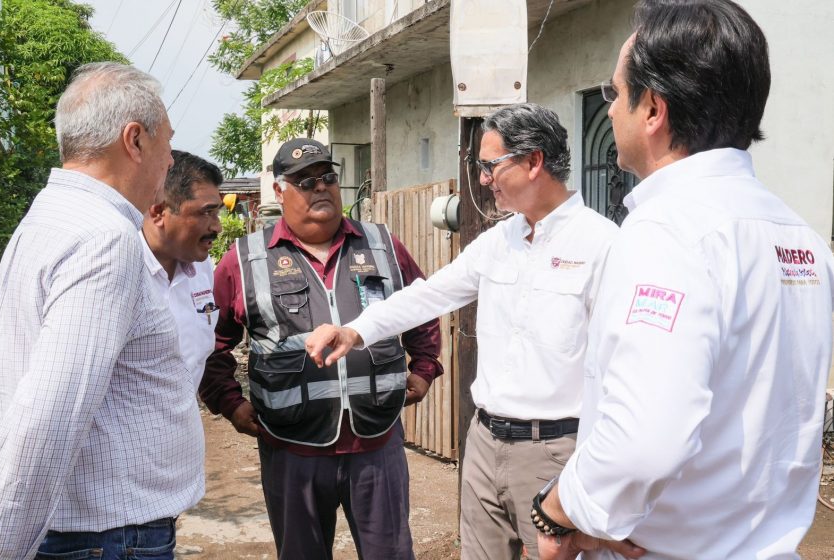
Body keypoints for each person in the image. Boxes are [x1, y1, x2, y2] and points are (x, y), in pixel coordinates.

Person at [535, 1, 834, 558]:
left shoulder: (667, 232)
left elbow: (641, 445)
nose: (611, 109)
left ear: (652, 109)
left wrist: (557, 509)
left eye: (613, 92)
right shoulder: (802, 239)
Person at [305, 103, 619, 559]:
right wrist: (354, 331)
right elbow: (428, 294)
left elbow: (617, 366)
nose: (484, 180)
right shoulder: (499, 241)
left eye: (491, 166)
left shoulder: (602, 245)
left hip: (557, 453)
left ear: (534, 162)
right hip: (485, 443)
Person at [0, 63, 203, 559]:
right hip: (107, 539)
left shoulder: (46, 218)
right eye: (166, 141)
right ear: (135, 141)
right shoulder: (104, 240)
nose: (170, 159)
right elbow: (50, 414)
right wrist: (8, 548)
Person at [200, 138, 443, 560]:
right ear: (279, 191)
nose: (320, 187)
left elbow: (421, 308)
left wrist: (424, 367)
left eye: (328, 177)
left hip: (377, 442)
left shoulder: (382, 245)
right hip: (292, 448)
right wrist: (230, 403)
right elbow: (208, 344)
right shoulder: (245, 260)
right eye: (305, 181)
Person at [141, 149, 224, 391]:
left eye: (217, 213)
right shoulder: (121, 269)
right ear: (159, 212)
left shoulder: (202, 269)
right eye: (206, 212)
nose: (217, 227)